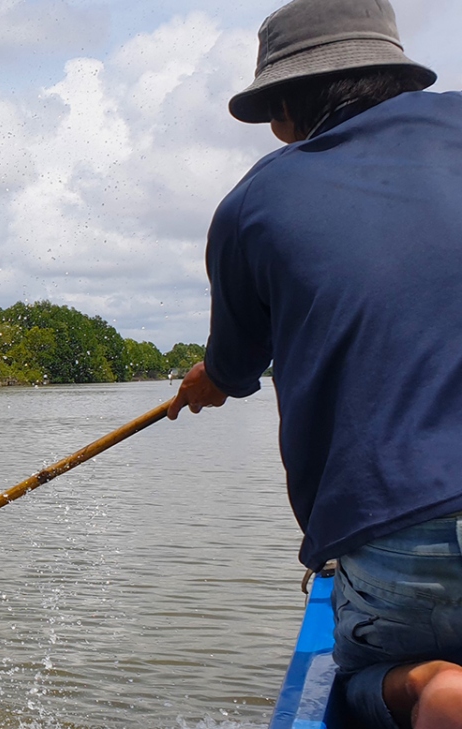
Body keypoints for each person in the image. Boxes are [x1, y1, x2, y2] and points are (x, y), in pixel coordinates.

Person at [165, 0, 462, 727]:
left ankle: (429, 686)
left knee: (365, 679)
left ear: (288, 106)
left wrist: (210, 381)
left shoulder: (254, 203)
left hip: (402, 526)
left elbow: (234, 367)